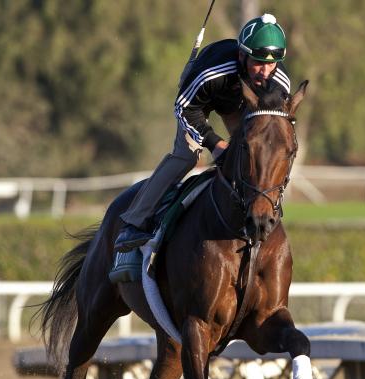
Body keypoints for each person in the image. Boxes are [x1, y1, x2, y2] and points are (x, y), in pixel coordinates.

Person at [114, 13, 291, 252]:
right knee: (187, 156)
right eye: (258, 62)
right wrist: (214, 143)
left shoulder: (279, 83)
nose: (265, 71)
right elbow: (184, 109)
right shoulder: (213, 74)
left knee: (254, 152)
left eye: (272, 63)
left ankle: (253, 215)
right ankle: (134, 222)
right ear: (241, 55)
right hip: (196, 104)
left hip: (240, 106)